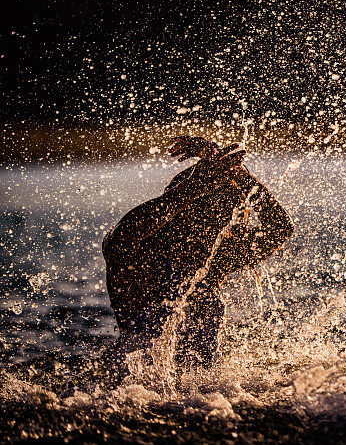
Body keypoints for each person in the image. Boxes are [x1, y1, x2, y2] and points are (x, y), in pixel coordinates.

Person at [100, 136, 293, 381]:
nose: (206, 226)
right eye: (198, 210)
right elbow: (122, 235)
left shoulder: (217, 255)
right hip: (128, 389)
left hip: (195, 396)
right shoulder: (140, 250)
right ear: (177, 207)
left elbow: (280, 228)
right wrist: (195, 186)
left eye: (220, 218)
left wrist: (238, 172)